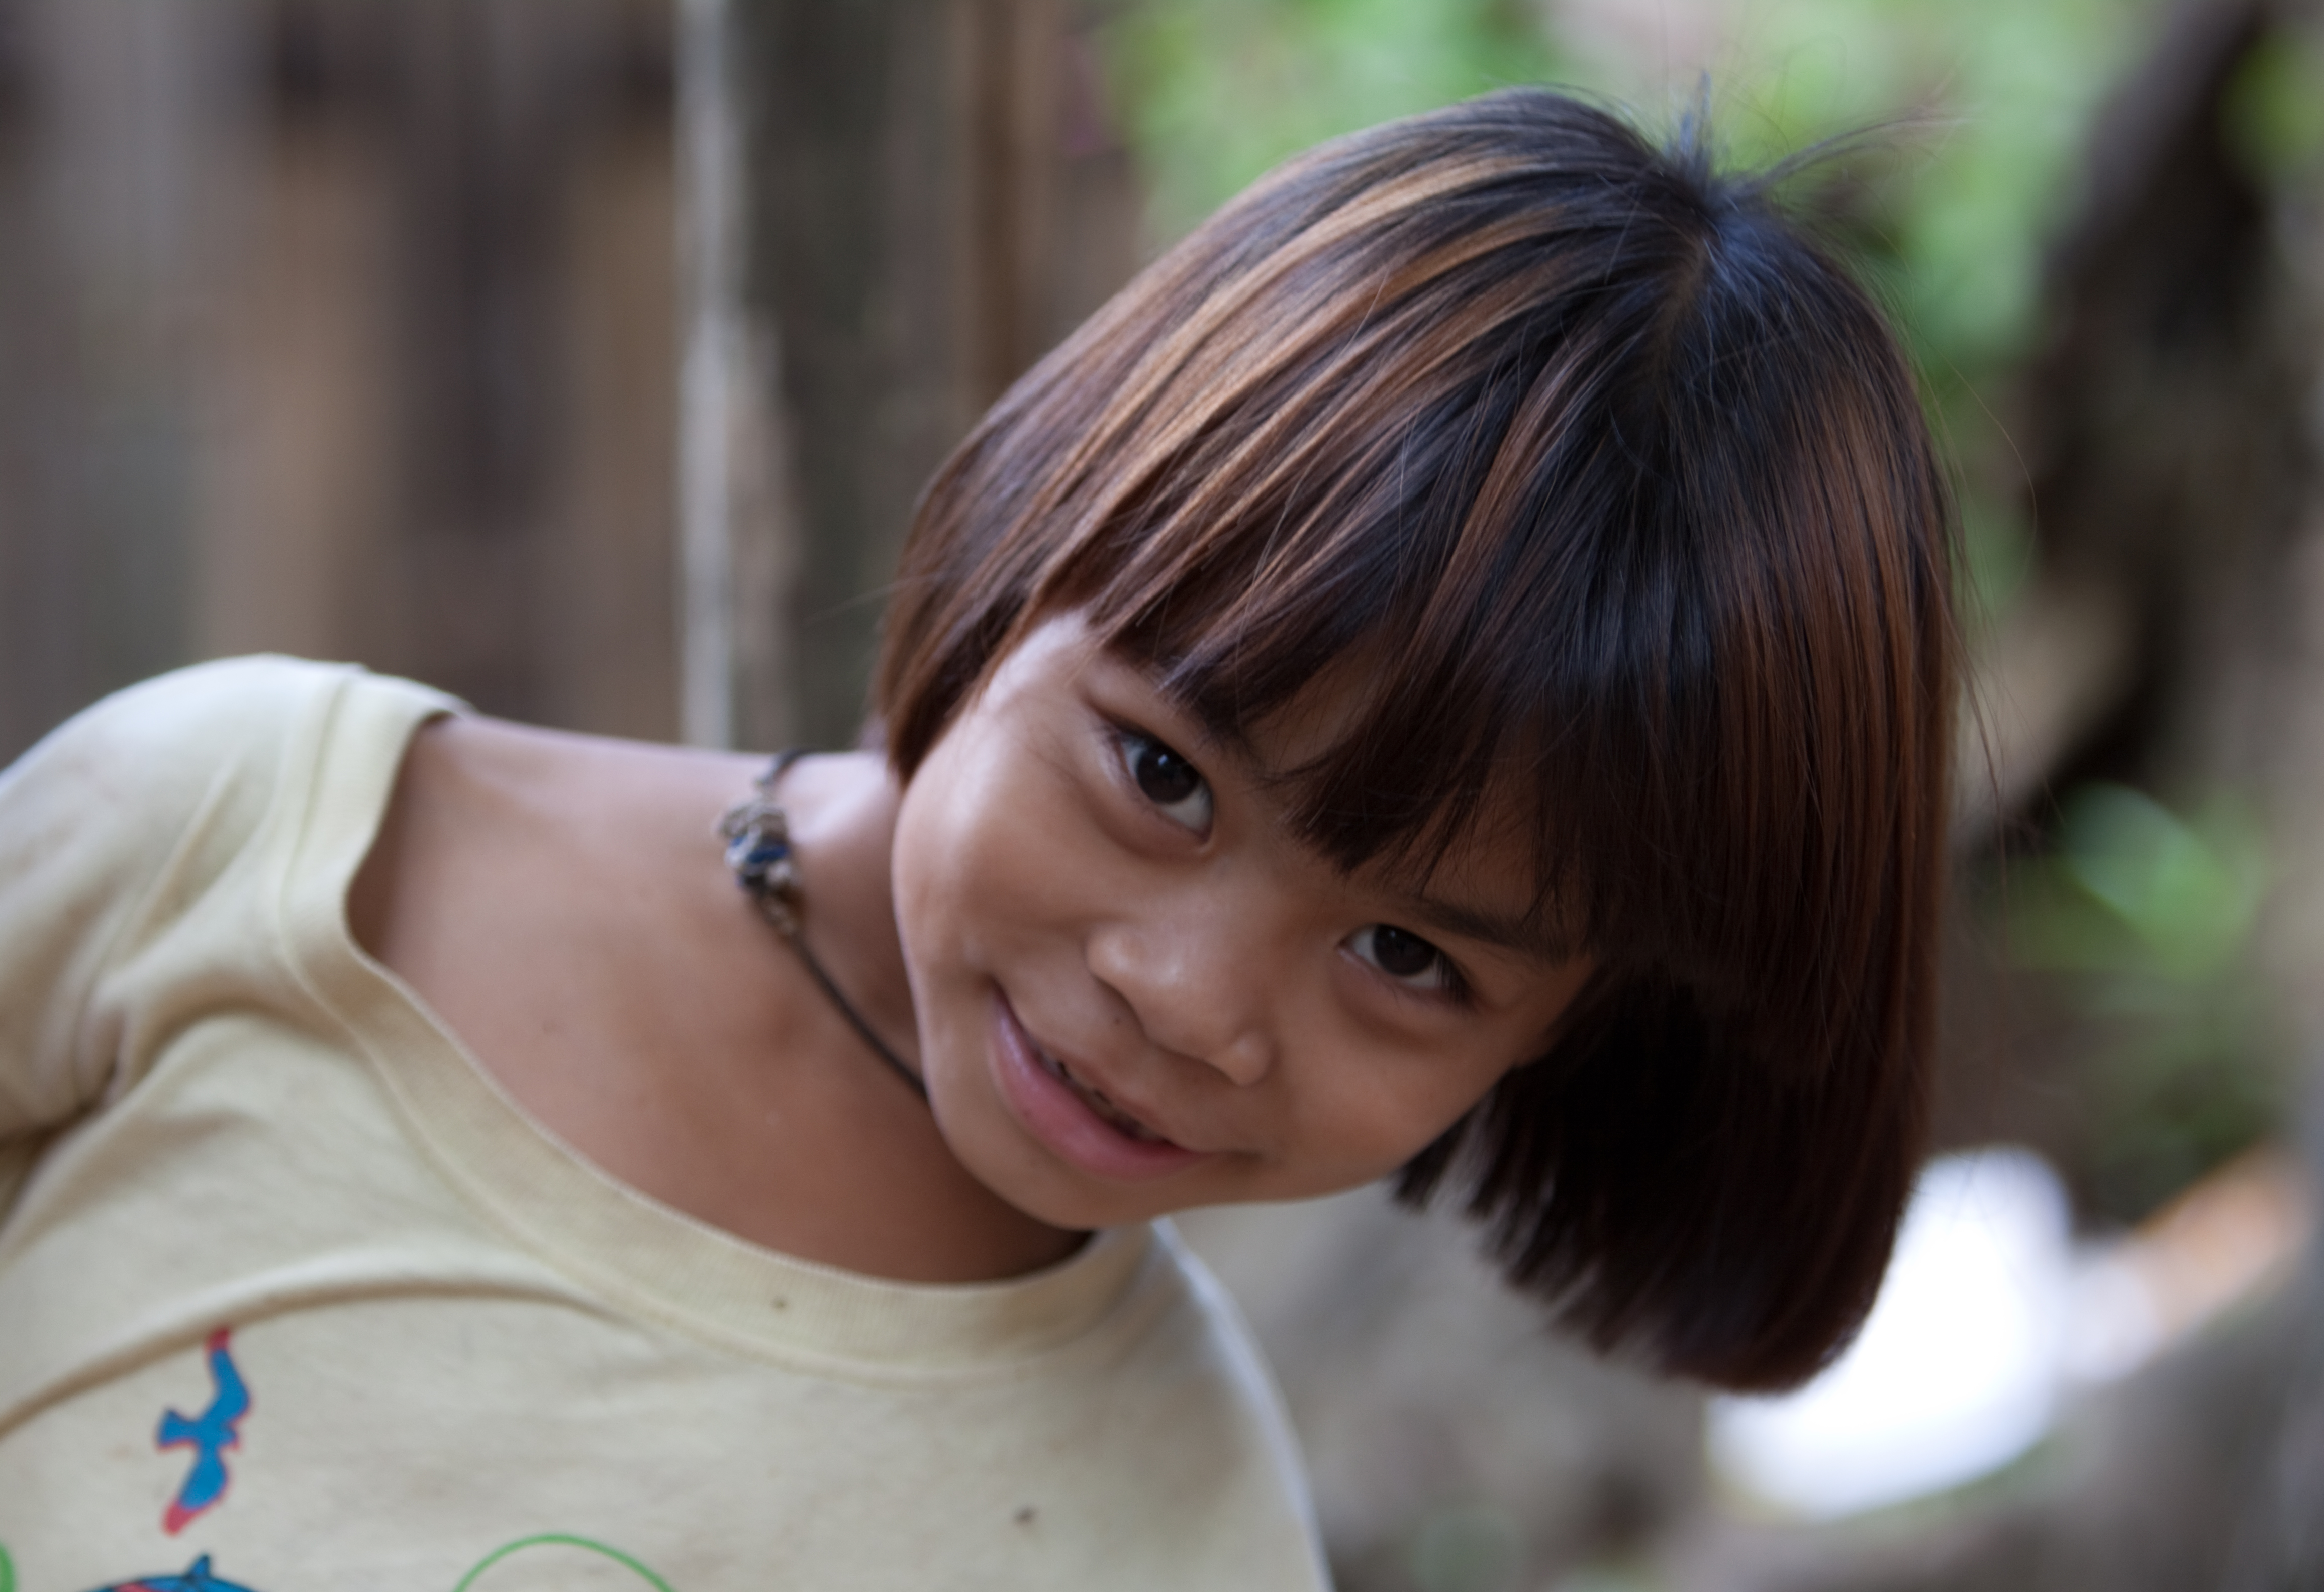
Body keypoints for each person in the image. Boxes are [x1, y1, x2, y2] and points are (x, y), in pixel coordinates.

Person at [0, 89, 1952, 1589]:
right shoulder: (234, 852)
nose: (1186, 1002)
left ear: (1569, 1034)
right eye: (1162, 775)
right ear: (1031, 534)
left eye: (1412, 960)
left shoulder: (1171, 1547)